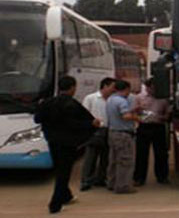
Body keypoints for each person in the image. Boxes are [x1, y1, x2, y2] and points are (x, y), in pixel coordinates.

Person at [34, 76, 101, 214]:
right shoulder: (71, 104)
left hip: (52, 141)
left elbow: (37, 119)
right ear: (72, 88)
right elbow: (76, 123)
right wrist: (91, 124)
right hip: (67, 143)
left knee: (60, 169)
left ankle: (66, 195)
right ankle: (55, 204)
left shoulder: (47, 102)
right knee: (63, 173)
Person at [133, 78, 172, 186]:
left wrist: (161, 117)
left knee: (161, 153)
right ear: (147, 87)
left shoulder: (164, 99)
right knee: (141, 153)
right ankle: (139, 178)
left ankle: (162, 176)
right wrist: (138, 111)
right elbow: (133, 112)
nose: (152, 90)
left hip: (158, 127)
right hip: (143, 126)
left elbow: (167, 114)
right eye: (150, 88)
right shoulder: (139, 97)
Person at [106, 80, 142, 194]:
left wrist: (132, 110)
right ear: (126, 89)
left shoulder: (110, 100)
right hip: (123, 134)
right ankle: (123, 186)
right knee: (125, 160)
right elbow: (126, 116)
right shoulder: (122, 101)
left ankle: (111, 182)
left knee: (113, 160)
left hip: (112, 132)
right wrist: (137, 118)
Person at [80, 77, 116, 191]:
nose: (113, 90)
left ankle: (101, 179)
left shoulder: (112, 99)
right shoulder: (91, 98)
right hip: (94, 131)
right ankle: (86, 180)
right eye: (112, 87)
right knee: (91, 156)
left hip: (109, 129)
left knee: (106, 157)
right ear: (105, 86)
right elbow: (84, 114)